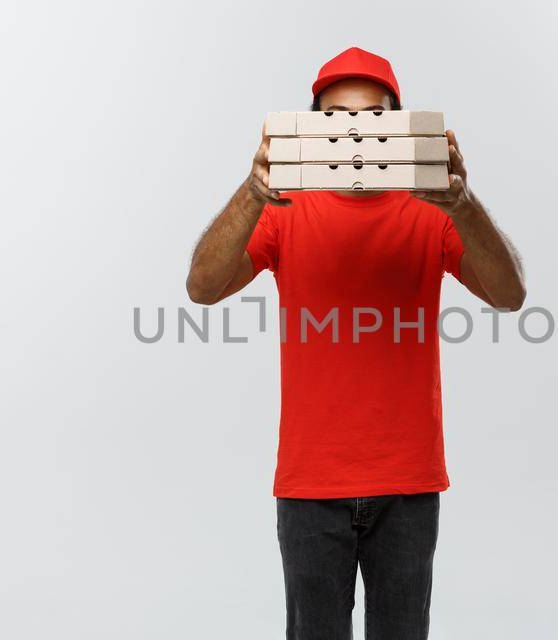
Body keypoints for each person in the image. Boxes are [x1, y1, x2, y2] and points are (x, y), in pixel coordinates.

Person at [185, 46, 526, 640]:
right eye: (337, 117)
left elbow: (508, 296)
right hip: (311, 482)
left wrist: (464, 205)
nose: (356, 132)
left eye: (373, 117)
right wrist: (251, 191)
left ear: (398, 124)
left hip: (408, 480)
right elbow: (203, 288)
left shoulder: (431, 210)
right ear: (314, 129)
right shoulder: (287, 209)